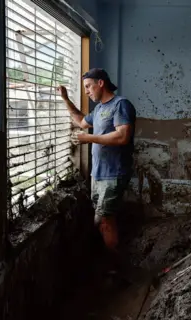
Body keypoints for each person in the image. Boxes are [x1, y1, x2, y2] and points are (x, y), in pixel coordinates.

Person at [57, 68, 136, 273]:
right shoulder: (99, 110)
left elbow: (122, 136)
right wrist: (65, 99)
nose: (86, 92)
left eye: (88, 86)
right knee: (103, 219)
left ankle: (117, 267)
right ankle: (110, 258)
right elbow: (81, 121)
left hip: (114, 173)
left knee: (105, 219)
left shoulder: (120, 105)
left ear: (101, 83)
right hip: (98, 174)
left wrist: (89, 138)